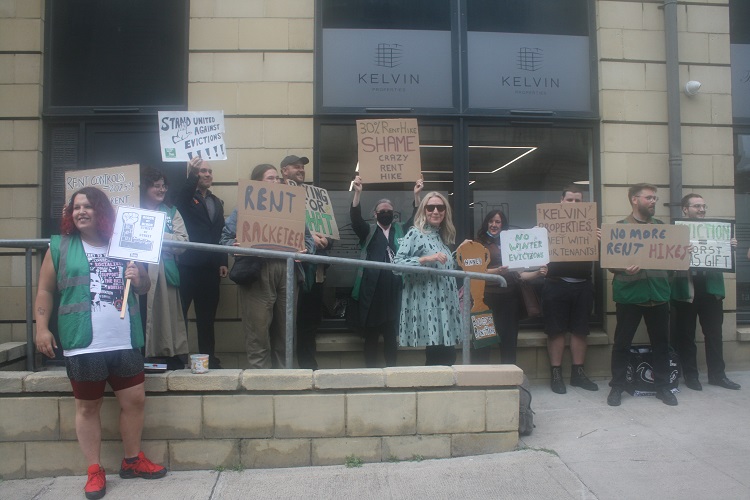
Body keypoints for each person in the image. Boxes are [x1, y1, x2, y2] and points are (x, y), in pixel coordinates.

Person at [34, 186, 166, 500]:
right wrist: (41, 328)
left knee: (134, 401)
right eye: (76, 207)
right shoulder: (60, 247)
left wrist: (139, 276)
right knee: (87, 407)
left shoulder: (124, 245)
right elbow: (44, 291)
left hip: (124, 341)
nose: (80, 212)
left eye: (88, 207)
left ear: (101, 212)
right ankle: (94, 470)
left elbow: (144, 287)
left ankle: (132, 461)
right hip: (83, 344)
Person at [221, 163, 314, 368]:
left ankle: (284, 378)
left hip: (288, 272)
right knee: (258, 332)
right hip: (257, 273)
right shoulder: (244, 208)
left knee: (286, 332)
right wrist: (234, 247)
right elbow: (225, 239)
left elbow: (308, 240)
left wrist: (306, 251)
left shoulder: (291, 208)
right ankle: (260, 381)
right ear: (257, 183)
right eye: (270, 178)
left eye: (277, 178)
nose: (276, 182)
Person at [607, 183, 677, 406]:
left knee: (661, 344)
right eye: (649, 198)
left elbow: (672, 263)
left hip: (658, 295)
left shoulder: (662, 229)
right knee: (621, 343)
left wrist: (681, 252)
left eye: (655, 198)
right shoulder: (619, 228)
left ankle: (663, 387)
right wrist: (623, 268)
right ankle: (617, 386)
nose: (653, 201)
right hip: (629, 295)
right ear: (634, 200)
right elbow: (610, 263)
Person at [350, 174, 423, 367]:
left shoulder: (400, 230)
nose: (386, 213)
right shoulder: (369, 231)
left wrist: (417, 195)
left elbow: (416, 219)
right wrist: (357, 193)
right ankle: (370, 371)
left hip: (395, 292)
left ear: (393, 214)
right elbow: (356, 220)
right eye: (382, 211)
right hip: (372, 292)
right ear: (375, 214)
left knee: (392, 335)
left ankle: (392, 370)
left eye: (389, 211)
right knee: (372, 336)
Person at [671, 193, 740, 390]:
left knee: (714, 335)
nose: (702, 210)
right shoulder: (676, 231)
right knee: (686, 335)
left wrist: (730, 246)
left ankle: (718, 375)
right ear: (685, 209)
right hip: (686, 289)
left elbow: (722, 255)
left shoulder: (717, 230)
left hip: (711, 289)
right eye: (696, 206)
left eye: (703, 206)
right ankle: (691, 376)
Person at [393, 192, 461, 366]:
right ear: (423, 210)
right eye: (431, 207)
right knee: (439, 357)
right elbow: (396, 265)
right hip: (430, 306)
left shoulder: (441, 236)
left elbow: (444, 265)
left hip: (446, 304)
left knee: (448, 356)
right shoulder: (415, 233)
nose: (436, 211)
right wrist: (426, 259)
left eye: (441, 207)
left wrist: (460, 252)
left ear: (446, 212)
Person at [472, 210, 547, 365]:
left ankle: (509, 379)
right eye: (491, 221)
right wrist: (496, 272)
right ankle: (480, 379)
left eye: (498, 222)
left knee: (509, 341)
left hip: (509, 299)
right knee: (482, 341)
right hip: (485, 300)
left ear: (503, 225)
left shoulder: (511, 243)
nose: (494, 225)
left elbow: (520, 274)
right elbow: (474, 271)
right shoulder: (477, 243)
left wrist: (538, 273)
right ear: (486, 223)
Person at [543, 185, 599, 394]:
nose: (574, 204)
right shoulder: (547, 225)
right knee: (555, 330)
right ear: (561, 201)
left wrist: (599, 241)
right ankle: (556, 374)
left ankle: (578, 373)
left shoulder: (591, 226)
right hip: (555, 283)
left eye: (578, 201)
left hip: (583, 284)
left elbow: (609, 257)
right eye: (570, 200)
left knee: (580, 330)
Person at [279, 155, 332, 370]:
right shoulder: (278, 195)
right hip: (290, 271)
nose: (301, 169)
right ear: (284, 171)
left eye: (303, 167)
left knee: (309, 323)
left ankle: (308, 366)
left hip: (315, 272)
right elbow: (276, 231)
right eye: (296, 166)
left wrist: (326, 240)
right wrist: (307, 239)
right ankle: (284, 367)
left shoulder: (315, 197)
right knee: (285, 323)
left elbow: (330, 232)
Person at [174, 157, 228, 369]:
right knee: (181, 315)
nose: (207, 174)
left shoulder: (216, 201)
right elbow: (180, 202)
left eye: (209, 171)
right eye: (202, 171)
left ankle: (209, 359)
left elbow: (219, 232)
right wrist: (191, 176)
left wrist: (222, 260)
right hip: (187, 266)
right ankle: (179, 359)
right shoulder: (185, 197)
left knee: (207, 318)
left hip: (210, 268)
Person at [139, 167, 190, 370]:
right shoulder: (132, 209)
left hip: (163, 272)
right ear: (145, 188)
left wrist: (155, 234)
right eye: (156, 186)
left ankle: (163, 356)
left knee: (164, 318)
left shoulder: (171, 212)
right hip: (135, 270)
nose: (161, 190)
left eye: (163, 186)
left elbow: (183, 243)